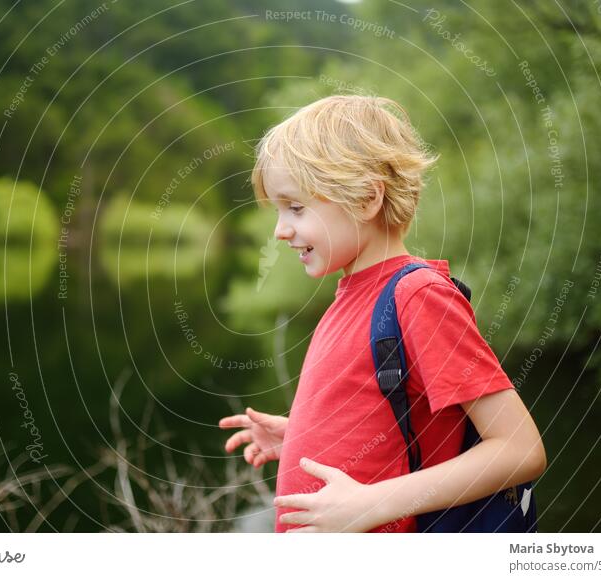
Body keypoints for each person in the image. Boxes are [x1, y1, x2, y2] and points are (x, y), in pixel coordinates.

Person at [218, 95, 546, 533]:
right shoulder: (350, 296)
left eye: (296, 207)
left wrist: (372, 503)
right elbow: (389, 417)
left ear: (368, 199)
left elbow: (519, 450)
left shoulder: (417, 296)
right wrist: (300, 434)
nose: (280, 229)